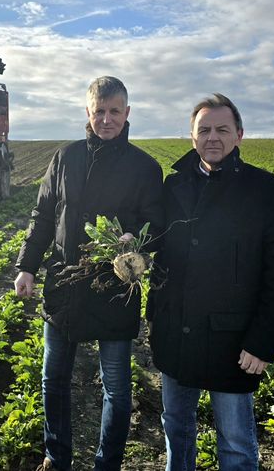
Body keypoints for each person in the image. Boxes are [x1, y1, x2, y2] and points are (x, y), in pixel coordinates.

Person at [14, 76, 164, 471]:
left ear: (127, 113)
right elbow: (43, 215)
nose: (107, 118)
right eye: (99, 111)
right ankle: (56, 455)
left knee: (115, 387)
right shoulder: (66, 158)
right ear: (88, 112)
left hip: (114, 288)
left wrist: (136, 245)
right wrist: (27, 266)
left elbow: (156, 224)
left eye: (115, 111)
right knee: (53, 378)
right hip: (64, 284)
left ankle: (107, 463)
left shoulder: (145, 167)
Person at [147, 93, 274, 470]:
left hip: (232, 340)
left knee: (235, 443)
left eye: (222, 129)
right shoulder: (174, 187)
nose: (212, 137)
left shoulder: (267, 192)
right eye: (204, 130)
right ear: (192, 137)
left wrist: (263, 342)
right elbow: (161, 249)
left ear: (239, 135)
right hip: (176, 332)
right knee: (177, 430)